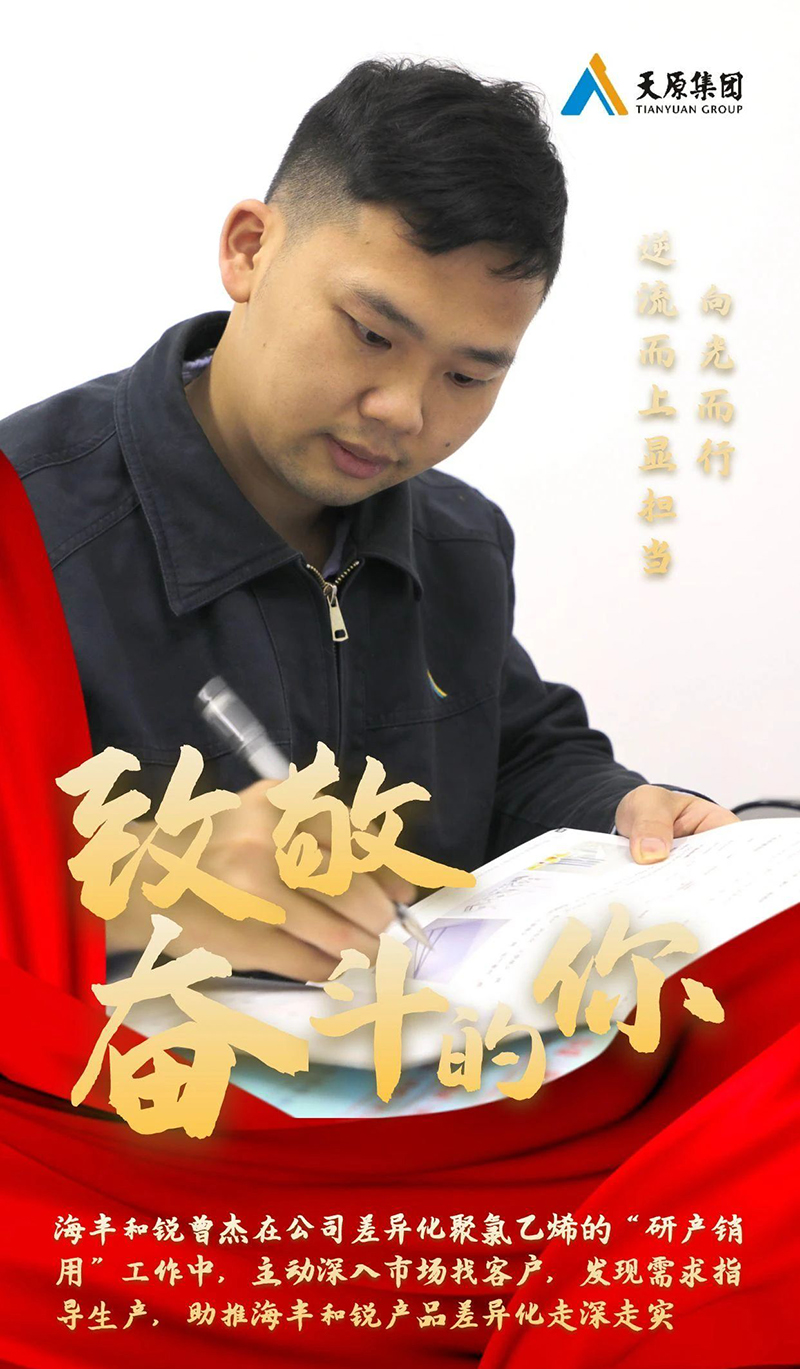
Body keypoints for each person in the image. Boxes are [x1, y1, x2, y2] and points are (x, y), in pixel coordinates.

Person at [0, 58, 736, 980]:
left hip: (418, 1057)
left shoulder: (456, 542)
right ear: (249, 251)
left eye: (467, 376)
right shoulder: (26, 527)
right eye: (372, 334)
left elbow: (514, 754)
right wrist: (135, 887)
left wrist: (623, 809)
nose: (405, 411)